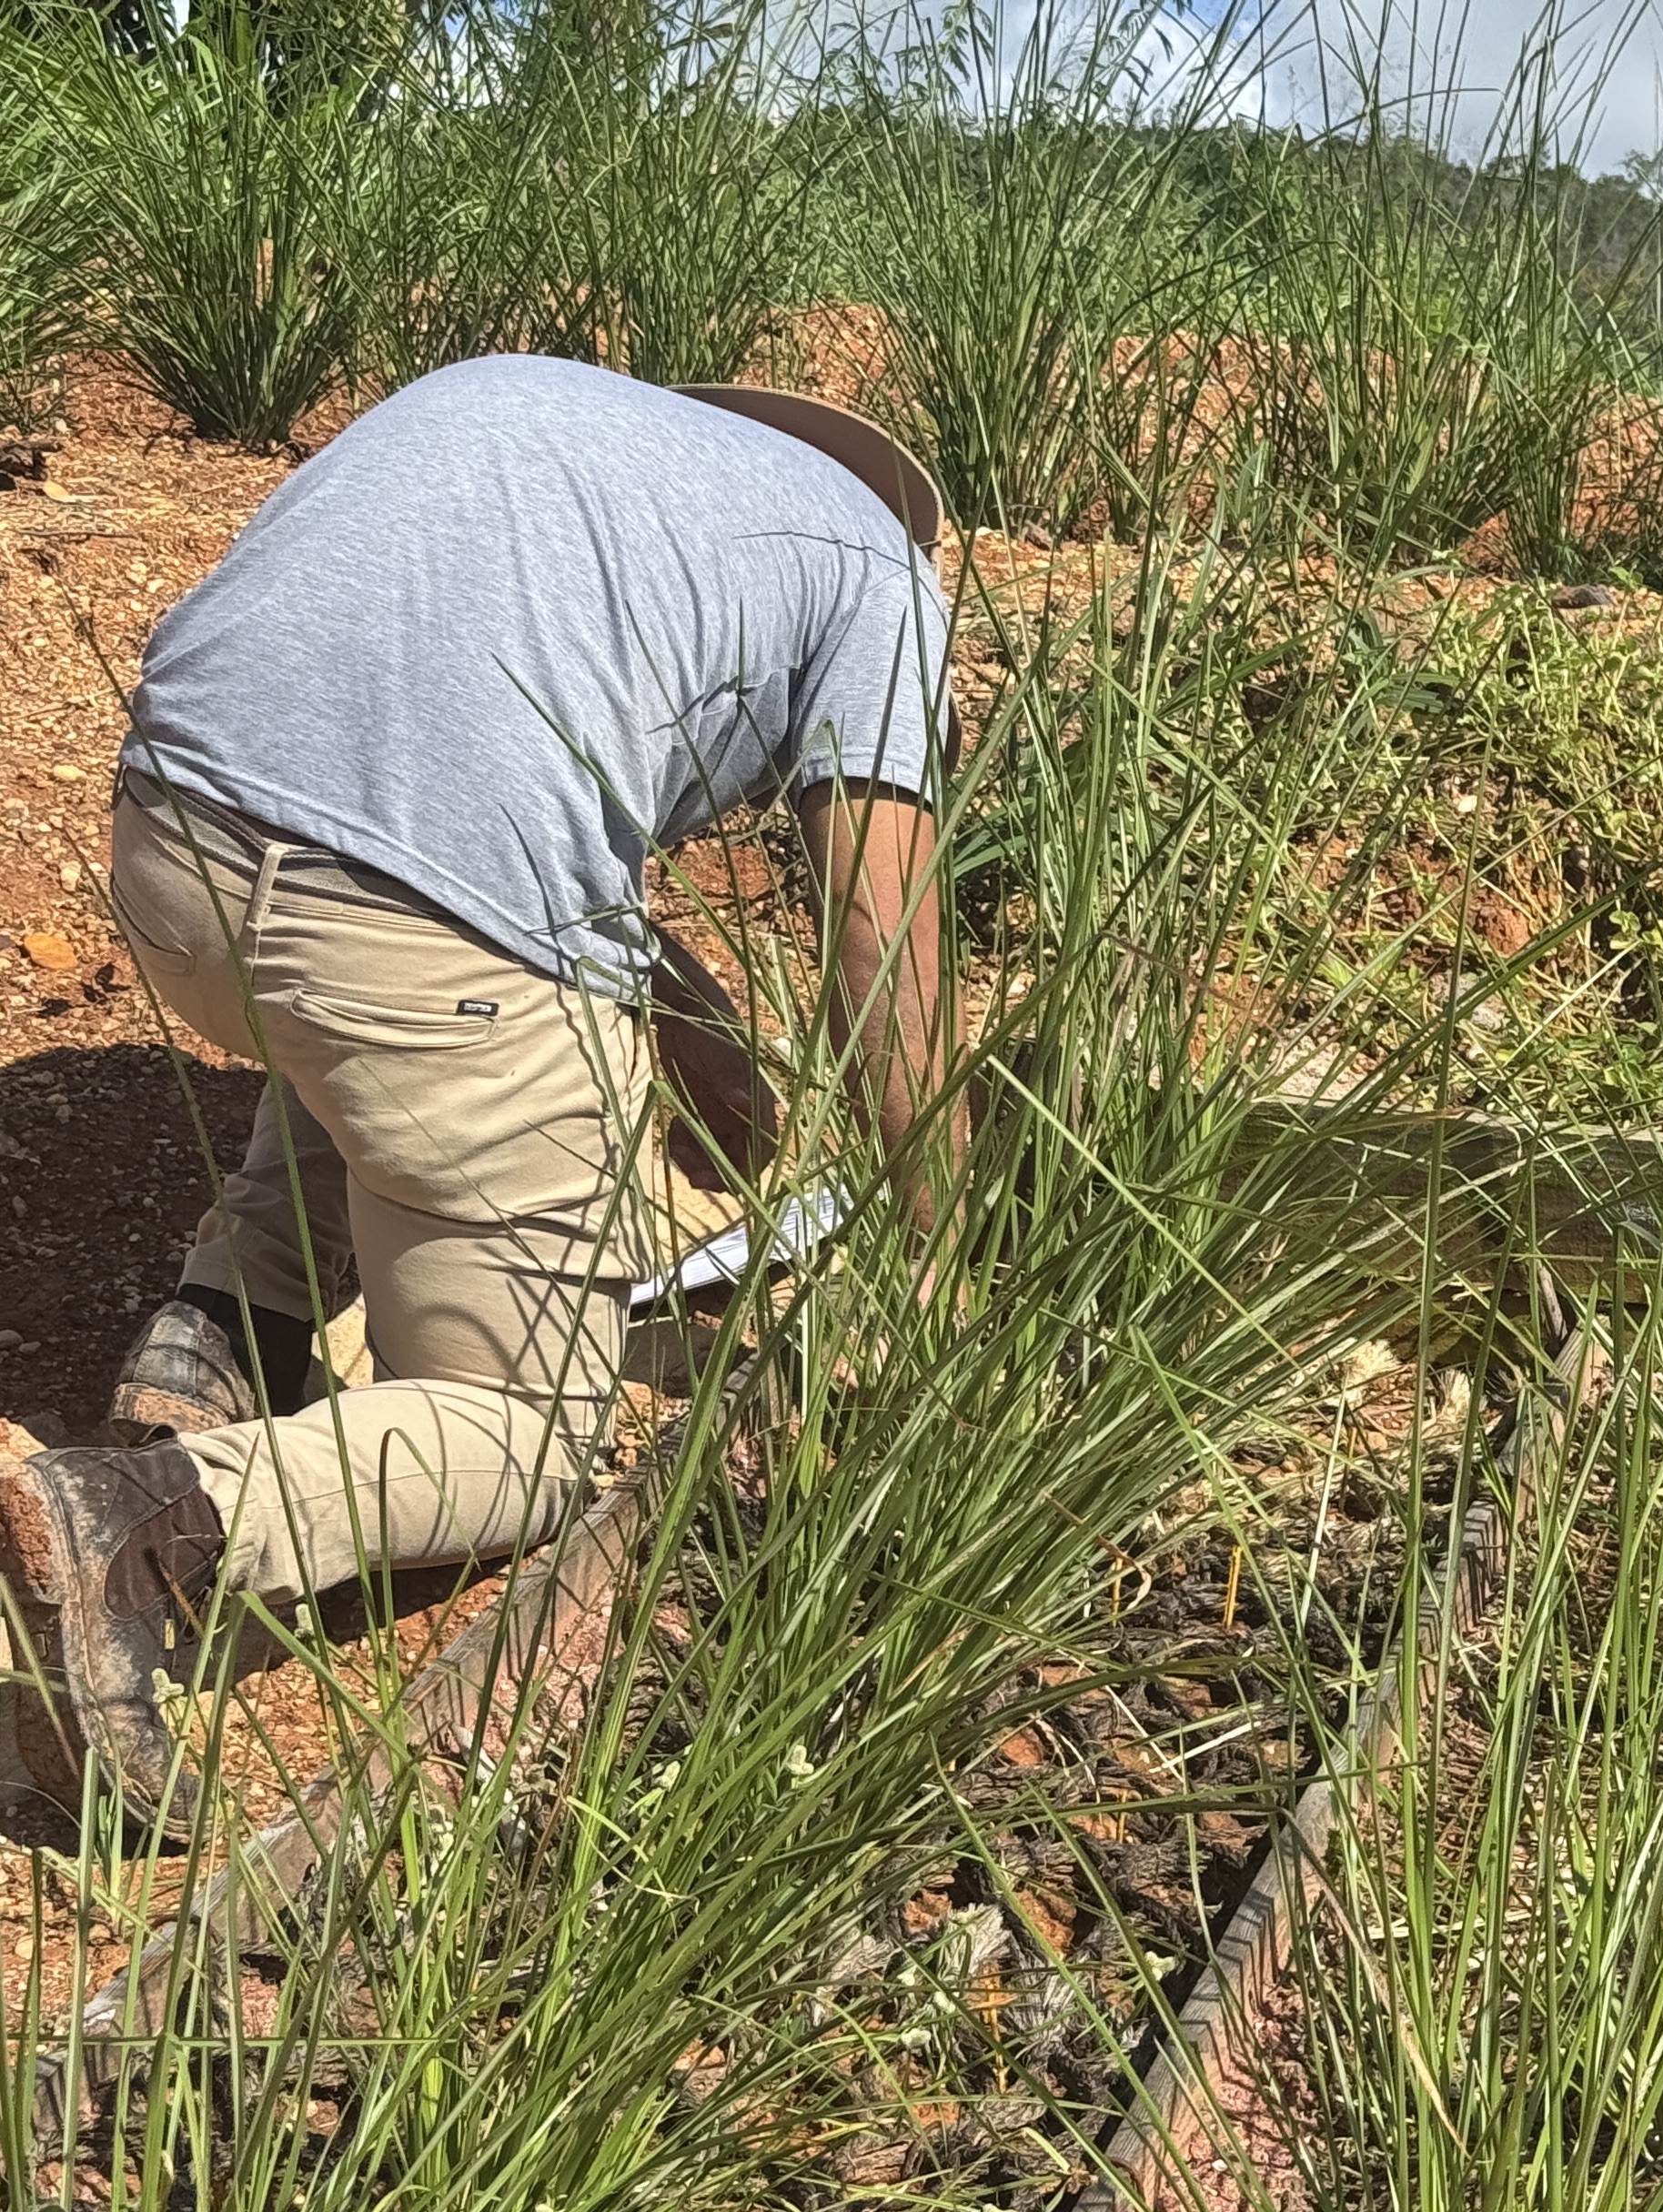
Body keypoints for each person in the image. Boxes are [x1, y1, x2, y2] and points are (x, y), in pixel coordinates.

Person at [0, 354, 959, 1819]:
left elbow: (432, 769)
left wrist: (678, 1014)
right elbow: (879, 934)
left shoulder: (534, 416)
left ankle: (218, 1335)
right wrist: (942, 1239)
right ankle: (142, 1527)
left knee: (369, 1017)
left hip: (167, 852)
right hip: (385, 940)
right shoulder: (881, 571)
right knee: (527, 1434)